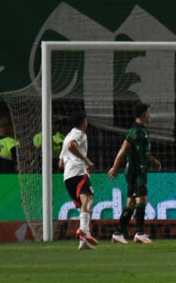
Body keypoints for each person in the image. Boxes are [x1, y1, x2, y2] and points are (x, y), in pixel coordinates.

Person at [107, 103, 162, 244]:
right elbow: (124, 148)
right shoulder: (135, 131)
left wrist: (154, 160)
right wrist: (115, 167)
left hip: (138, 169)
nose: (150, 116)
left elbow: (142, 152)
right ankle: (139, 233)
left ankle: (118, 233)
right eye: (149, 113)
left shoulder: (142, 130)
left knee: (131, 203)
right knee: (141, 200)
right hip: (136, 170)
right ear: (144, 114)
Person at [58, 111, 99, 250]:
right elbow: (71, 145)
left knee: (85, 204)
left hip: (68, 177)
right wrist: (85, 159)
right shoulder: (80, 134)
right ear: (83, 122)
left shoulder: (66, 136)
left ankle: (84, 242)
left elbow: (60, 164)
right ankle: (84, 229)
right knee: (88, 199)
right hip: (79, 172)